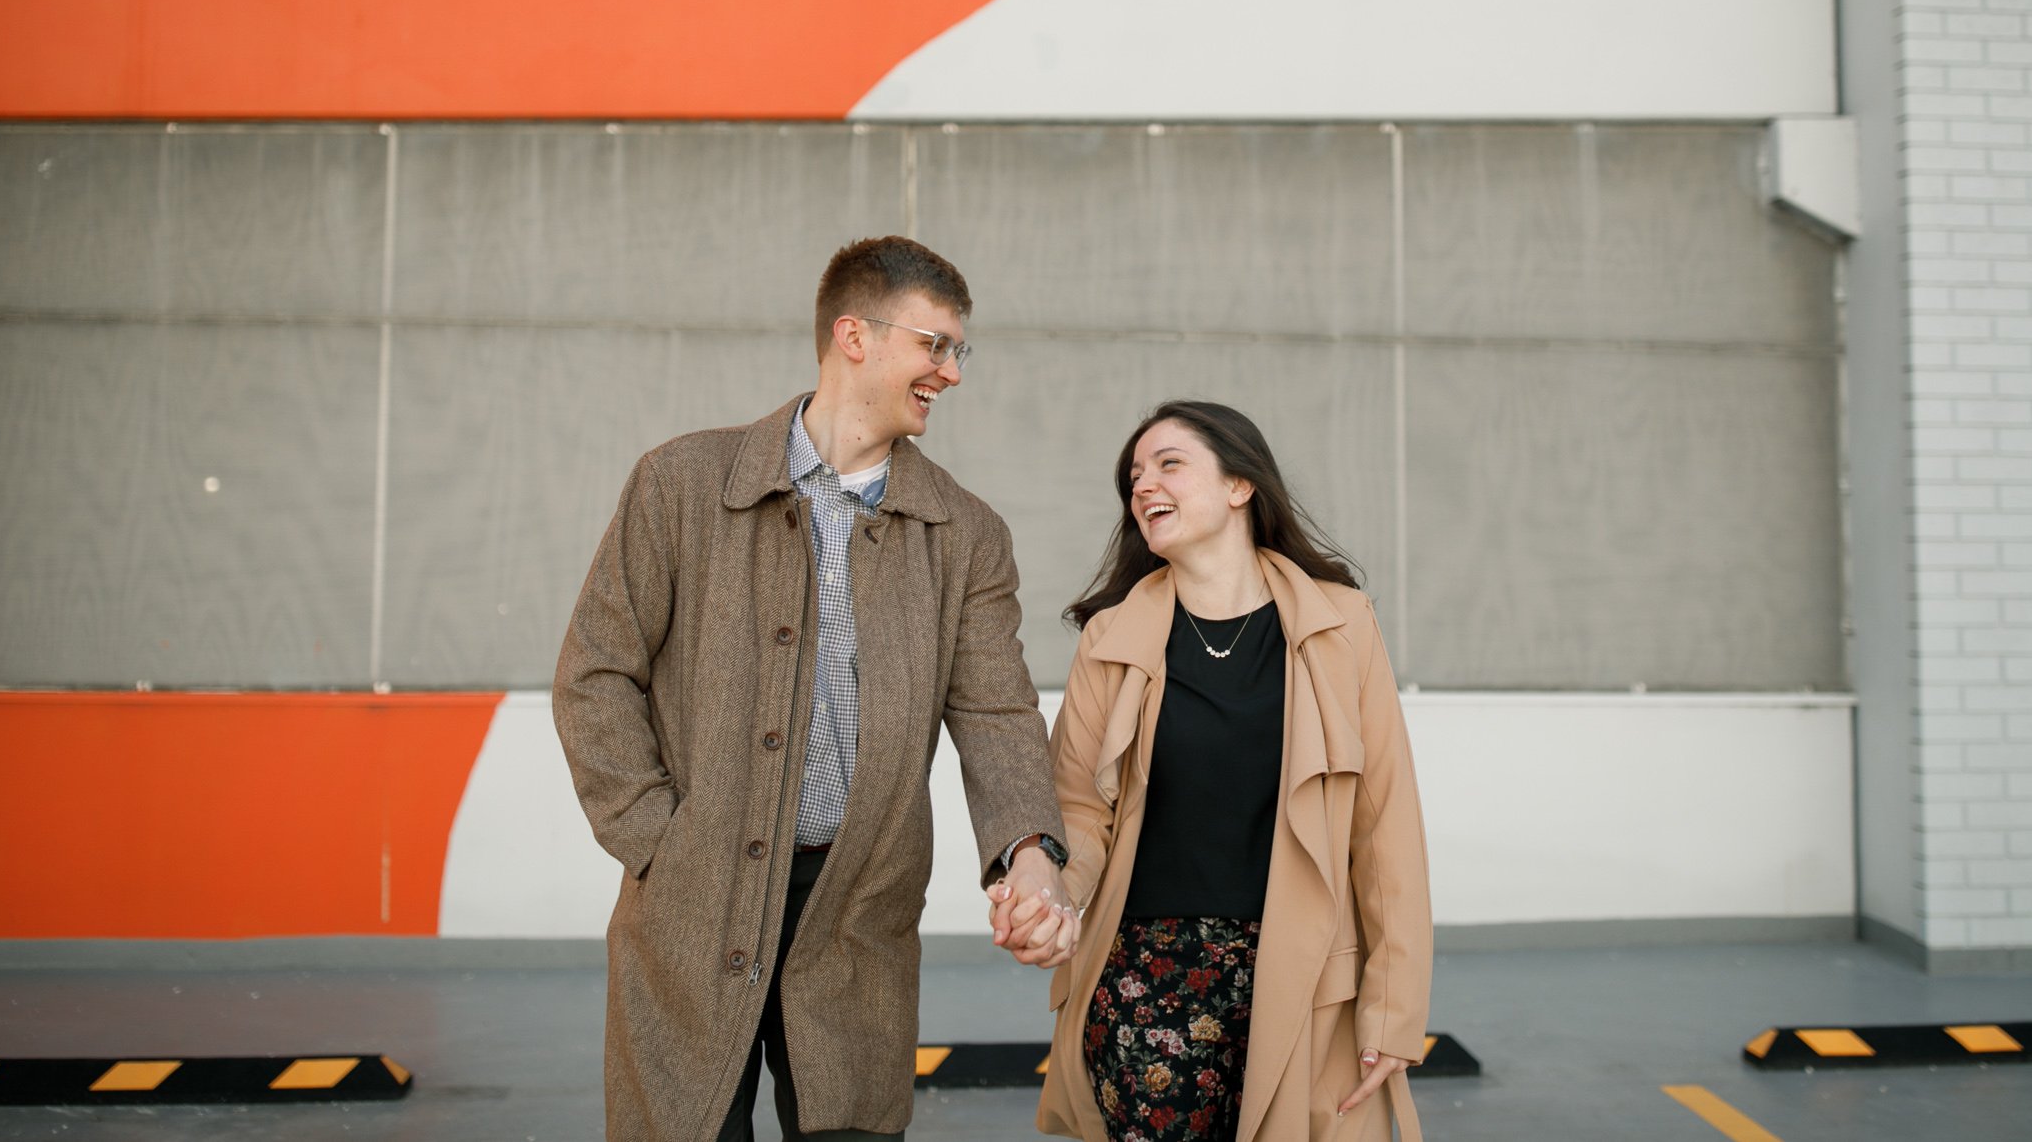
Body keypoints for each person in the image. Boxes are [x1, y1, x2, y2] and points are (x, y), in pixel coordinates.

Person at [554, 236, 1079, 1142]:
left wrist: (1033, 856)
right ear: (855, 336)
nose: (951, 372)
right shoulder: (680, 484)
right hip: (689, 905)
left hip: (856, 915)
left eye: (959, 350)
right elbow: (596, 673)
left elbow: (997, 712)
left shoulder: (966, 534)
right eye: (935, 345)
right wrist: (661, 844)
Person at [1007, 401, 1432, 1142]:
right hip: (1144, 982)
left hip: (1305, 978)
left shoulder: (1341, 626)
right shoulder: (1111, 639)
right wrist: (1056, 898)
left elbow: (1384, 830)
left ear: (1241, 485)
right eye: (1133, 476)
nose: (1142, 485)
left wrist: (1394, 1012)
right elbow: (1080, 809)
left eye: (1168, 463)